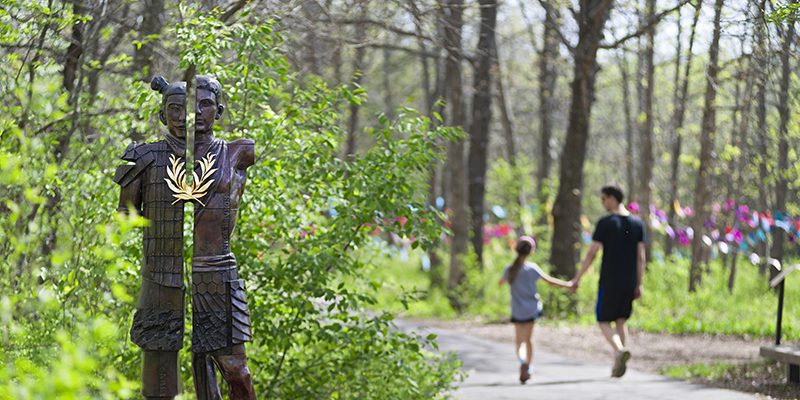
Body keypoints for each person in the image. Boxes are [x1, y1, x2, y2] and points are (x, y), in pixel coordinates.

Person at [114, 77, 189, 400]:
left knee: (221, 353)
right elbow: (126, 213)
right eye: (175, 109)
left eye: (189, 109)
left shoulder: (218, 157)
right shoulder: (146, 157)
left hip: (212, 275)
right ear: (162, 115)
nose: (183, 117)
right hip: (160, 270)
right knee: (158, 346)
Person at [187, 75, 257, 400]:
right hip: (179, 275)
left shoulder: (234, 154)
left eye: (205, 104)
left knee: (235, 371)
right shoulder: (170, 157)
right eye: (191, 105)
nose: (198, 112)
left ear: (218, 110)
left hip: (218, 275)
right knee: (201, 372)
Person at [570, 185, 646, 378]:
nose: (602, 203)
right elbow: (641, 257)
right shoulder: (637, 224)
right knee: (621, 320)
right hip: (629, 281)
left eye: (603, 199)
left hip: (610, 280)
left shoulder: (606, 223)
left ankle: (619, 351)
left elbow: (592, 253)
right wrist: (639, 283)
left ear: (612, 198)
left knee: (603, 320)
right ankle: (618, 364)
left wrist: (577, 277)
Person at [498, 236, 572, 384]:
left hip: (517, 310)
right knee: (529, 340)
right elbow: (550, 281)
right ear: (531, 251)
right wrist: (568, 285)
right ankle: (529, 367)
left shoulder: (510, 269)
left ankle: (522, 361)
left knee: (519, 342)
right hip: (531, 309)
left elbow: (500, 283)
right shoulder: (532, 268)